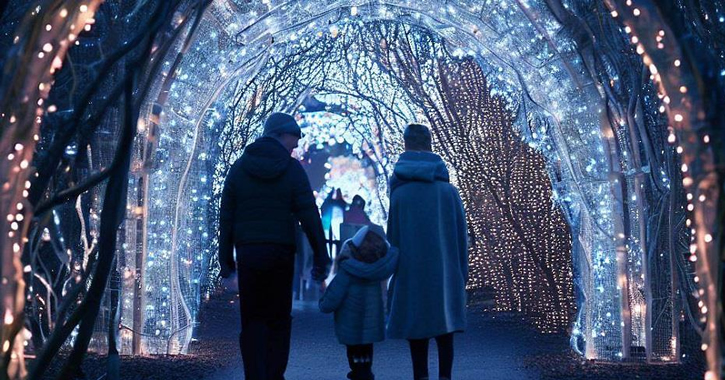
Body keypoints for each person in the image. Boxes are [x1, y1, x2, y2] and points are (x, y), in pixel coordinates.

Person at [218, 112, 331, 380]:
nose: (295, 146)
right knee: (279, 319)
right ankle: (274, 375)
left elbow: (227, 217)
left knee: (252, 319)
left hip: (249, 251)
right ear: (280, 135)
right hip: (280, 252)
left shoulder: (239, 168)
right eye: (293, 140)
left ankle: (254, 375)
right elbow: (309, 215)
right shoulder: (292, 170)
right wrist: (321, 256)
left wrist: (226, 261)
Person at [386, 123, 468, 380]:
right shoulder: (449, 192)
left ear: (406, 145)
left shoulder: (400, 194)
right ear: (430, 145)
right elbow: (460, 239)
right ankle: (445, 377)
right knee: (445, 330)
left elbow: (393, 238)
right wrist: (461, 275)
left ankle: (419, 376)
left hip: (412, 271)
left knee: (417, 330)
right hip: (445, 271)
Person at [319, 225, 399, 380]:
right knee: (367, 350)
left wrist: (324, 304)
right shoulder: (377, 273)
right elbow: (393, 255)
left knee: (354, 351)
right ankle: (366, 370)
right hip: (370, 326)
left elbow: (334, 296)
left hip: (350, 326)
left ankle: (356, 371)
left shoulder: (347, 271)